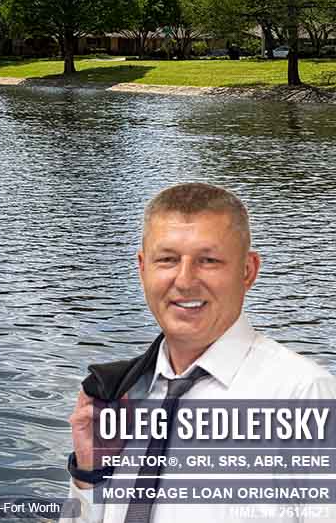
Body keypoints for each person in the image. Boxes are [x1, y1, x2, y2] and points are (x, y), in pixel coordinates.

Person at [60, 182, 336, 522]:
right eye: (168, 259)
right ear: (143, 268)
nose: (185, 280)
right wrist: (88, 476)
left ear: (248, 271)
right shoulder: (119, 395)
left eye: (208, 260)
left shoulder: (304, 396)